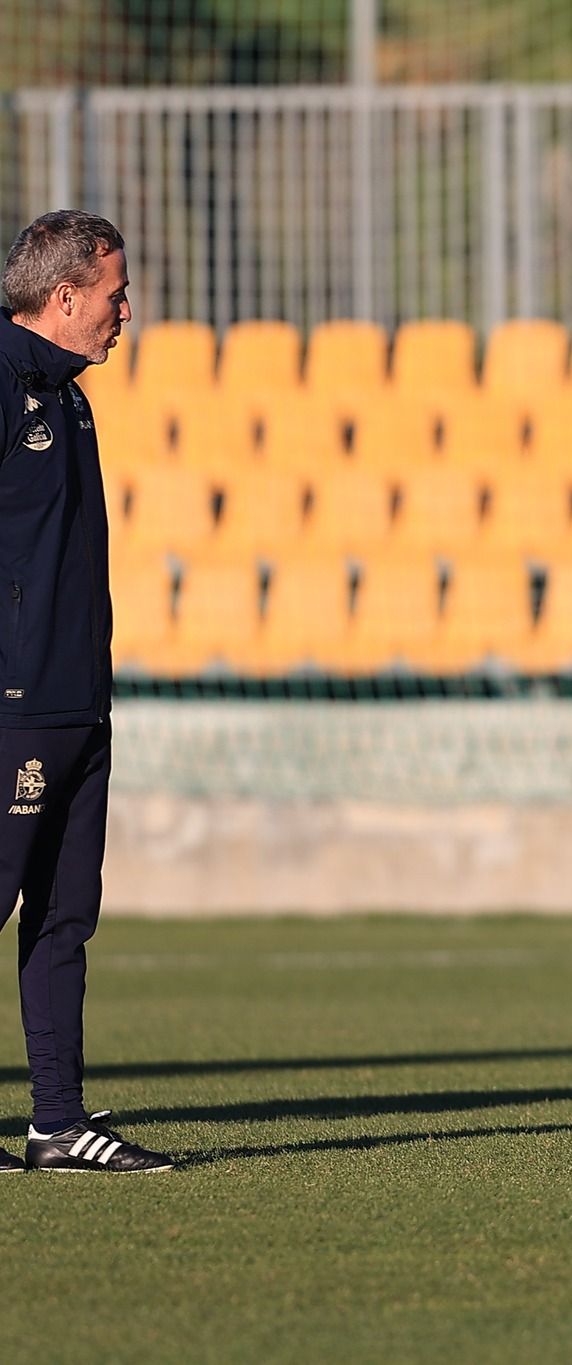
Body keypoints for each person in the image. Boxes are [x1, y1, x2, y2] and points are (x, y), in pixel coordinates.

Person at [0, 209, 172, 1173]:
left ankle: (57, 1124)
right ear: (64, 298)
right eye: (113, 294)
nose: (126, 311)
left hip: (78, 701)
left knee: (66, 920)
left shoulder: (70, 397)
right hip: (10, 704)